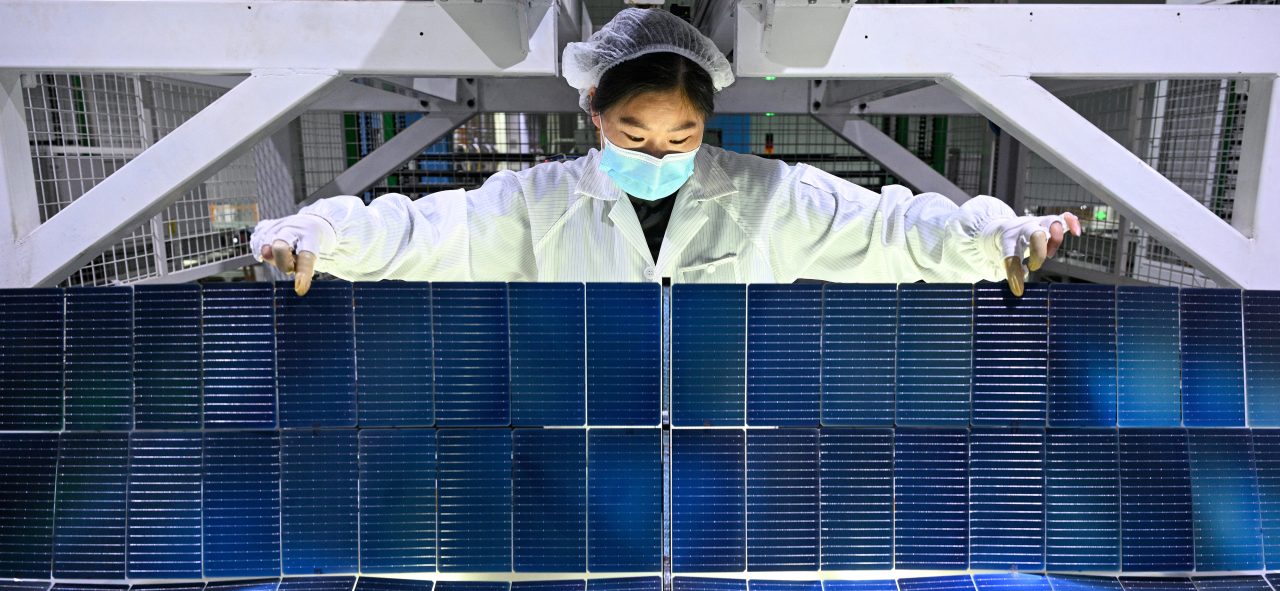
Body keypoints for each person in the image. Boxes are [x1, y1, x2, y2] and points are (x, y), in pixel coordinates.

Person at [252, 8, 1079, 296]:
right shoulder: (533, 203)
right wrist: (325, 233)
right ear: (592, 113)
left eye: (682, 137)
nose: (659, 153)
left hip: (725, 443)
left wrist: (992, 236)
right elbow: (426, 232)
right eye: (634, 136)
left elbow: (892, 229)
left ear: (708, 126)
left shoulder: (766, 198)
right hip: (575, 446)